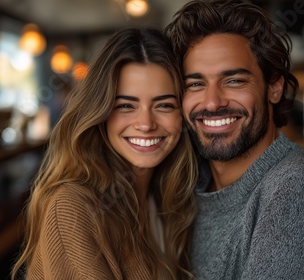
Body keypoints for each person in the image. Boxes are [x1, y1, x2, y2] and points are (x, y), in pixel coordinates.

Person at [165, 1, 304, 279]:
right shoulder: (189, 182)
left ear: (274, 87)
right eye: (195, 84)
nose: (213, 103)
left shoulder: (300, 187)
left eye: (234, 81)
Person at [11, 27, 198, 280]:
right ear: (101, 114)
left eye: (164, 105)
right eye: (125, 106)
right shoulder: (73, 208)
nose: (146, 123)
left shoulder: (171, 198)